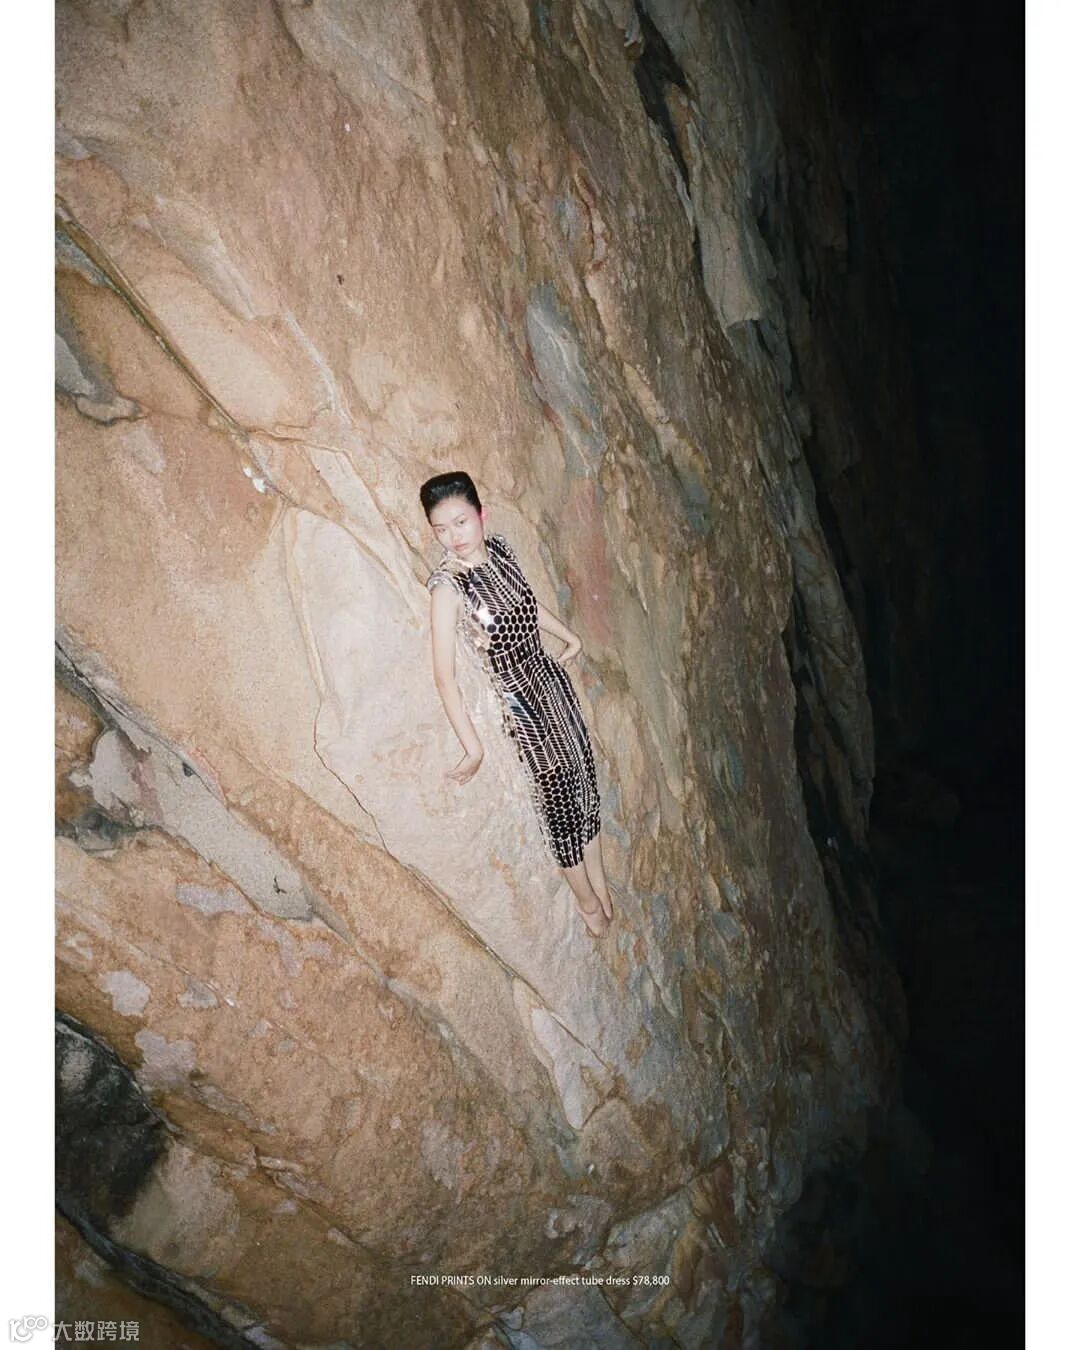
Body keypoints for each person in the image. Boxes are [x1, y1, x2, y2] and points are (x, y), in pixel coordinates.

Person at [420, 470, 615, 938]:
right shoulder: (448, 587)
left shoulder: (501, 551)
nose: (453, 537)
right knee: (559, 802)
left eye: (461, 522)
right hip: (521, 704)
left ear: (481, 514)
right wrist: (473, 748)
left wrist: (568, 635)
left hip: (549, 680)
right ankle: (587, 900)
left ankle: (599, 874)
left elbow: (527, 605)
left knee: (584, 774)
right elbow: (444, 676)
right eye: (441, 529)